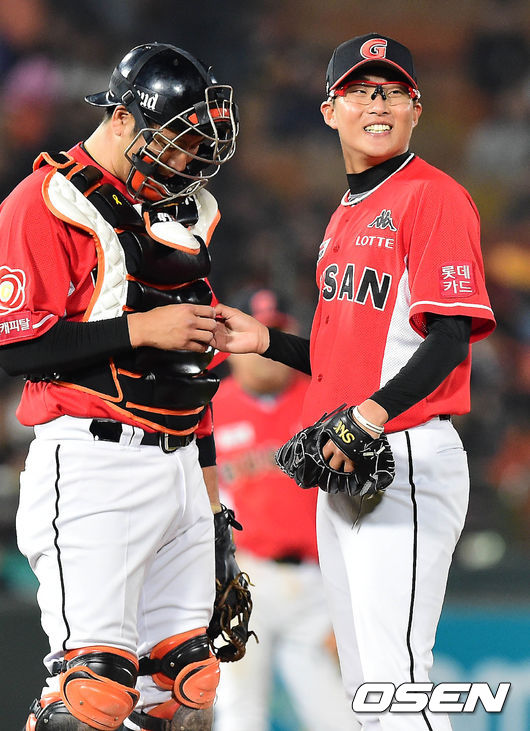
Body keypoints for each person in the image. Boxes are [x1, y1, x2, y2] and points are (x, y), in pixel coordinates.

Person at [212, 33, 496, 730]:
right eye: (362, 91)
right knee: (366, 692)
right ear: (329, 110)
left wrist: (368, 415)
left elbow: (449, 337)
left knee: (396, 683)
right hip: (353, 458)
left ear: (417, 110)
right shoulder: (345, 213)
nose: (379, 104)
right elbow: (348, 357)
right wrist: (267, 342)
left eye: (394, 91)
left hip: (403, 453)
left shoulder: (433, 196)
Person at [0, 42, 242, 731]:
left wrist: (214, 510)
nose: (188, 160)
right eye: (176, 140)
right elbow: (17, 344)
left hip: (180, 469)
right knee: (93, 696)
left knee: (185, 690)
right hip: (92, 461)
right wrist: (142, 329)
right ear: (124, 120)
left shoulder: (180, 218)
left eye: (198, 145)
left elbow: (196, 379)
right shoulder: (45, 200)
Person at [212, 288, 354, 731]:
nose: (263, 350)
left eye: (275, 333)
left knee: (338, 718)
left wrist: (349, 602)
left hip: (320, 582)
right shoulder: (207, 408)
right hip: (242, 578)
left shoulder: (327, 402)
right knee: (239, 713)